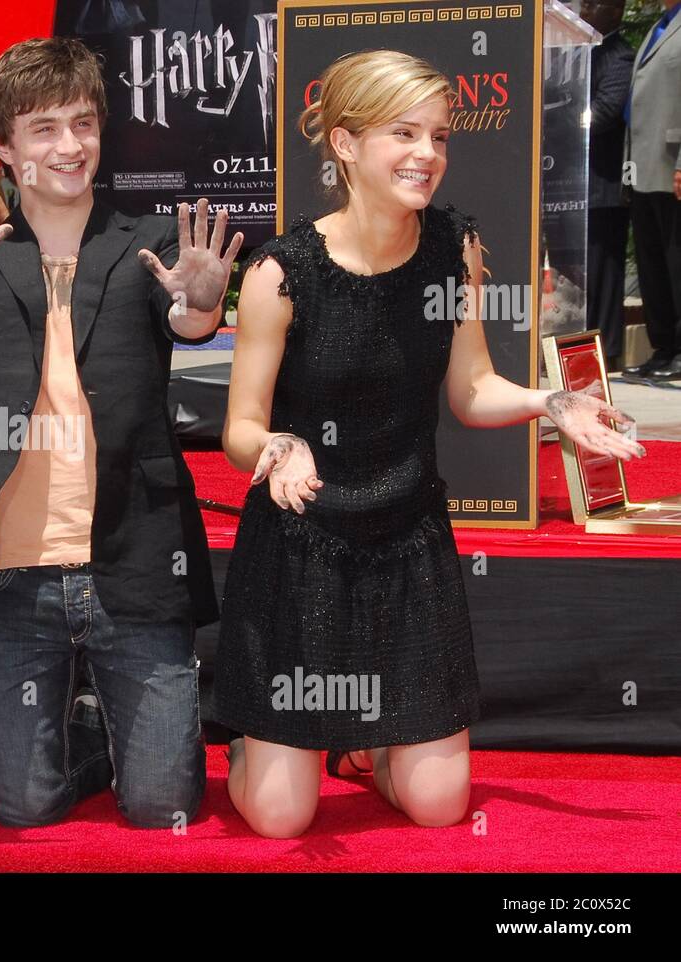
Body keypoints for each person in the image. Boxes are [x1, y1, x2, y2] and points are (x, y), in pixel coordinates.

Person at [214, 50, 646, 839]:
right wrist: (277, 445)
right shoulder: (281, 273)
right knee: (279, 819)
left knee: (442, 807)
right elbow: (239, 427)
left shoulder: (457, 251)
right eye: (403, 133)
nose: (429, 154)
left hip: (408, 544)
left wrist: (552, 402)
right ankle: (256, 740)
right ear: (344, 144)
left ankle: (357, 751)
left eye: (440, 136)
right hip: (301, 548)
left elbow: (472, 388)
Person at [0, 37, 240, 827]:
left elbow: (186, 322)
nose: (69, 146)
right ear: (8, 147)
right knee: (21, 809)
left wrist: (201, 304)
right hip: (14, 570)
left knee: (163, 807)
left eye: (83, 124)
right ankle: (91, 740)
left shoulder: (150, 238)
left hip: (134, 555)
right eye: (45, 128)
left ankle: (119, 739)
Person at [621, 0, 681, 378]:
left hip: (671, 161)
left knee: (677, 262)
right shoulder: (660, 25)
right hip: (641, 166)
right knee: (653, 263)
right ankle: (664, 348)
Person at [581, 0, 635, 371]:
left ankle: (607, 353)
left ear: (615, 10)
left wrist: (563, 119)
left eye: (593, 2)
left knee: (604, 276)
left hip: (603, 187)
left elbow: (605, 110)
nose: (584, 8)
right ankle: (583, 349)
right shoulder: (584, 52)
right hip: (574, 188)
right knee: (583, 280)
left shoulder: (619, 55)